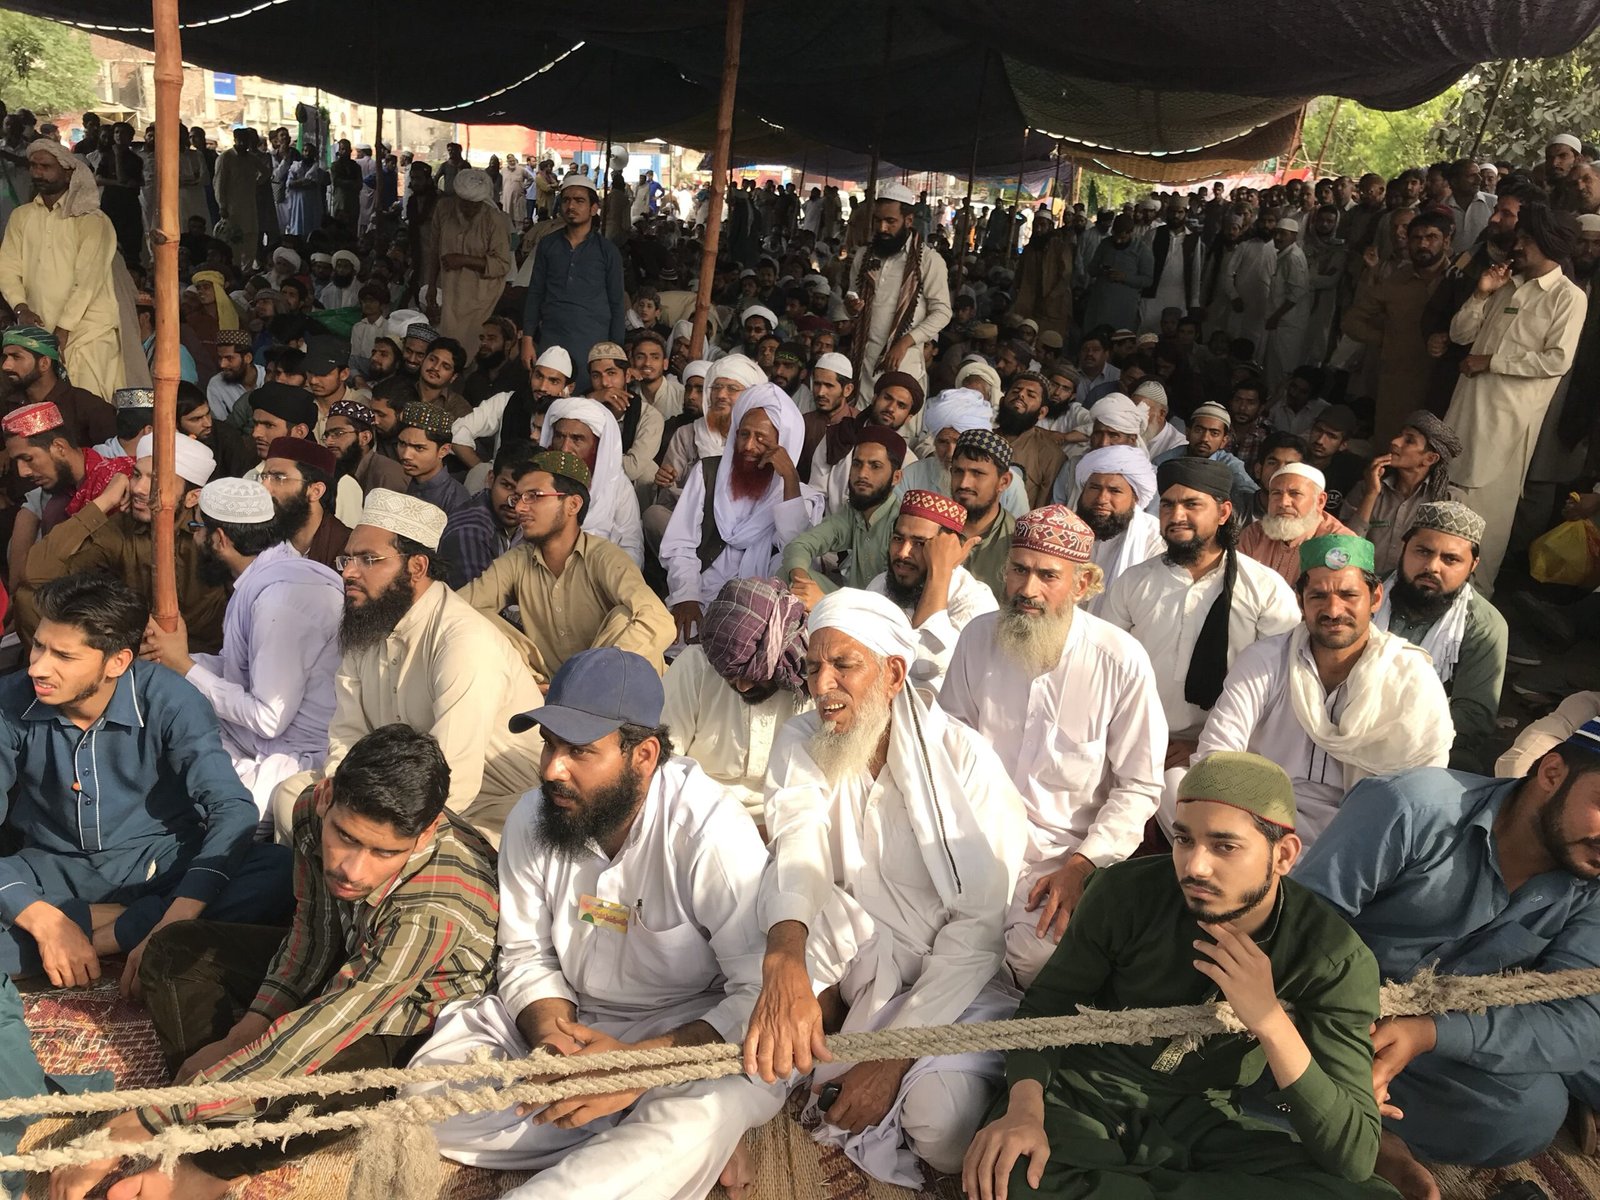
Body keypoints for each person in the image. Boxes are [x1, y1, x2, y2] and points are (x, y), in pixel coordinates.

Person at [50, 725, 498, 1200]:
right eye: (345, 837)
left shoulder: (432, 909)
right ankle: (229, 1104)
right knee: (174, 951)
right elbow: (312, 938)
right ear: (326, 797)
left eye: (384, 853)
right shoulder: (309, 809)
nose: (353, 869)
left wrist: (131, 1127)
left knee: (333, 1078)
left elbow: (326, 1027)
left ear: (426, 833)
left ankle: (205, 1165)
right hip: (349, 957)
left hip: (404, 1011)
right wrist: (242, 1034)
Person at [406, 648, 784, 1200]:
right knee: (427, 1099)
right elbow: (526, 956)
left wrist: (636, 1069)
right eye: (549, 744)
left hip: (688, 1036)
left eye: (579, 750)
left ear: (644, 755)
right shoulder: (534, 818)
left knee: (700, 1114)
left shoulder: (708, 832)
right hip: (573, 1021)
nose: (551, 769)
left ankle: (629, 1141)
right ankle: (635, 1135)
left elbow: (759, 994)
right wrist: (557, 1049)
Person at [963, 752, 1394, 1200]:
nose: (1195, 866)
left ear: (1282, 855)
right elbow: (1044, 1010)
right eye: (1184, 840)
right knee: (1014, 1172)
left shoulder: (1333, 959)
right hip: (1087, 1096)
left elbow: (1354, 1155)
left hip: (1204, 1118)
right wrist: (1023, 1113)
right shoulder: (1124, 894)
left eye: (1224, 846)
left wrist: (1269, 1020)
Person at [744, 589, 1028, 1186]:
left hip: (952, 978)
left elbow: (978, 930)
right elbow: (796, 847)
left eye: (843, 665)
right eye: (812, 665)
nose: (821, 686)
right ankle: (830, 1015)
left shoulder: (965, 763)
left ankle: (866, 1045)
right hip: (853, 951)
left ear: (893, 672)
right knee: (757, 1032)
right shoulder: (802, 739)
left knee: (943, 1128)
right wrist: (784, 963)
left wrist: (890, 1058)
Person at [1296, 720, 1600, 1194]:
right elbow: (1295, 935)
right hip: (1314, 1013)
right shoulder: (1410, 806)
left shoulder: (1592, 888)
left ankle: (1358, 1125)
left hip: (1417, 1048)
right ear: (1552, 773)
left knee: (1530, 1111)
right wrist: (1341, 1042)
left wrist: (1431, 1034)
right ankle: (1353, 1132)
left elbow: (1578, 1022)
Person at [0, 573, 290, 985]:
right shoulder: (10, 702)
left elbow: (233, 809)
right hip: (54, 870)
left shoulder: (170, 700)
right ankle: (90, 929)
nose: (37, 667)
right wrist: (46, 921)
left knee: (280, 870)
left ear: (116, 662)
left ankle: (109, 936)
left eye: (63, 656)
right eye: (39, 646)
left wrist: (165, 922)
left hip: (163, 864)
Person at [940, 506, 1166, 986]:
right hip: (966, 846)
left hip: (1059, 861)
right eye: (1019, 570)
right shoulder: (978, 636)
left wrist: (1084, 866)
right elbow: (946, 747)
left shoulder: (1120, 661)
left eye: (1048, 576)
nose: (1027, 589)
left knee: (1038, 961)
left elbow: (1140, 787)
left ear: (1082, 584)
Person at [271, 489, 544, 845]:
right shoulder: (367, 623)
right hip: (391, 792)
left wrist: (377, 833)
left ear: (416, 567)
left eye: (369, 559)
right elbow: (347, 733)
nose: (349, 573)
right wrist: (343, 797)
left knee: (438, 851)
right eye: (347, 559)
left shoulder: (463, 640)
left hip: (487, 806)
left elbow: (455, 776)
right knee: (294, 797)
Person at [1193, 533, 1453, 842]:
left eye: (1348, 595)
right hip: (1263, 820)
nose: (1333, 610)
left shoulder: (1410, 675)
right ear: (1300, 600)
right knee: (1177, 786)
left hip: (1361, 831)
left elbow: (1424, 784)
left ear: (1376, 598)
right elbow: (1216, 752)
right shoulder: (1265, 660)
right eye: (1318, 596)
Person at [140, 477, 342, 820]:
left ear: (220, 539)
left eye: (197, 528)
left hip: (295, 759)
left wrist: (185, 668)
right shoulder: (270, 577)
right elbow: (242, 669)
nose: (195, 537)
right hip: (260, 741)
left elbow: (267, 719)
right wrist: (176, 659)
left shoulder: (282, 599)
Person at [1102, 457, 1300, 781]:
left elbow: (1279, 686)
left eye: (1192, 504)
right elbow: (1107, 664)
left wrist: (1202, 741)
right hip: (1132, 738)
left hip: (1229, 750)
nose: (1177, 516)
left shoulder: (1264, 588)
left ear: (1223, 513)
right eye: (1167, 505)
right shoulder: (1134, 582)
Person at [1444, 202, 1588, 592]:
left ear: (1547, 242)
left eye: (1525, 239)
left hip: (1505, 428)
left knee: (1484, 521)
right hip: (1464, 413)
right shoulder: (1505, 283)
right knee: (1446, 504)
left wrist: (1491, 362)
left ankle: (1475, 607)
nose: (1517, 246)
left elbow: (1556, 360)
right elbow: (1459, 335)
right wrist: (1480, 293)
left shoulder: (1567, 297)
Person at [458, 450, 673, 683]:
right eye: (518, 498)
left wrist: (586, 683)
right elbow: (457, 608)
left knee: (627, 616)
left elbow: (659, 621)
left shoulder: (604, 557)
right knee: (471, 618)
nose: (519, 508)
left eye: (534, 496)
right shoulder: (517, 560)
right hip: (551, 692)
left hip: (614, 691)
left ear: (572, 504)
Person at [16, 433, 225, 652]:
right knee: (28, 599)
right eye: (136, 475)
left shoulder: (213, 531)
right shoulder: (121, 527)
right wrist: (104, 502)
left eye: (155, 480)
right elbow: (34, 574)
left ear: (192, 497)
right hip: (135, 652)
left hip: (208, 657)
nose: (138, 488)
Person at [661, 382, 825, 642]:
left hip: (763, 604)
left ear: (784, 445)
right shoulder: (708, 473)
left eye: (762, 439)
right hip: (701, 593)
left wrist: (789, 480)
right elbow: (680, 545)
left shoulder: (802, 497)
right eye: (743, 434)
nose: (748, 446)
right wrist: (687, 596)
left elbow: (797, 554)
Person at [662, 576, 814, 822]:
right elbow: (666, 764)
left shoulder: (805, 677)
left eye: (754, 674)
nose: (742, 686)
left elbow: (815, 787)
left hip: (786, 821)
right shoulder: (695, 665)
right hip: (696, 819)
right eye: (730, 675)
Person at [1371, 500, 1506, 775]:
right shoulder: (1366, 594)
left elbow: (1472, 718)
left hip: (1421, 743)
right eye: (1423, 551)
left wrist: (1395, 738)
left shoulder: (1483, 626)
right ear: (1404, 547)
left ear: (1473, 565)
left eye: (1451, 559)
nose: (1432, 567)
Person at [0, 139, 132, 401]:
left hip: (89, 331)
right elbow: (7, 267)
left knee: (90, 404)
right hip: (39, 331)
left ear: (69, 172)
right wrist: (20, 307)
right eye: (34, 166)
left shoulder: (93, 221)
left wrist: (63, 329)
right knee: (47, 412)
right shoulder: (21, 217)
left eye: (46, 166)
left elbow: (89, 280)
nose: (37, 173)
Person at [866, 489, 997, 692]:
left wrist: (939, 574)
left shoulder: (975, 601)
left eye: (920, 544)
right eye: (898, 539)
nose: (902, 553)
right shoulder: (879, 585)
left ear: (948, 550)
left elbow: (923, 665)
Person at [1340, 210, 1454, 443]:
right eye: (1416, 238)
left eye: (1431, 237)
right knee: (1391, 447)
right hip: (1399, 384)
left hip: (1445, 382)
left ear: (1446, 241)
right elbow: (1352, 321)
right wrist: (1387, 339)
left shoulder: (1459, 278)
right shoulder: (1396, 281)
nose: (1423, 244)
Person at [843, 182, 951, 397]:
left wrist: (904, 343)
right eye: (878, 221)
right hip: (863, 359)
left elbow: (943, 312)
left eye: (890, 221)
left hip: (904, 361)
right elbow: (851, 300)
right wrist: (851, 307)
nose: (882, 228)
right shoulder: (864, 256)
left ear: (908, 221)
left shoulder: (928, 260)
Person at [782, 427, 907, 604]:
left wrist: (823, 602)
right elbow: (801, 545)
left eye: (875, 466)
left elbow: (899, 601)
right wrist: (800, 582)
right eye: (857, 464)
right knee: (787, 574)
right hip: (848, 606)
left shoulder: (902, 523)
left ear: (896, 477)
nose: (862, 474)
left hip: (884, 619)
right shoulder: (853, 513)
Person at [521, 175, 625, 372]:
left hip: (593, 340)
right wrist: (527, 339)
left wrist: (615, 353)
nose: (571, 206)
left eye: (579, 201)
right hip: (552, 336)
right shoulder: (548, 244)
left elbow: (617, 303)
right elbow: (535, 293)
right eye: (566, 200)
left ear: (594, 208)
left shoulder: (607, 251)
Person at [1340, 411, 1461, 577]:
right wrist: (1371, 494)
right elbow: (1344, 547)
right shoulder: (1366, 487)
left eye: (1409, 440)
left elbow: (1452, 561)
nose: (1395, 442)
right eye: (1399, 435)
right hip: (1362, 586)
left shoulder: (1448, 500)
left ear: (1430, 459)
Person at [536, 393, 646, 565]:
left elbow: (631, 546)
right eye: (559, 436)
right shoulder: (537, 478)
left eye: (577, 439)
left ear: (596, 446)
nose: (565, 448)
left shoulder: (618, 485)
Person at [2, 399, 132, 538]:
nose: (23, 472)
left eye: (28, 459)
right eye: (17, 461)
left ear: (59, 447)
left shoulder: (121, 483)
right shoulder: (58, 497)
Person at [424, 167, 512, 348]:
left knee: (473, 346)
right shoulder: (443, 209)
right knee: (448, 344)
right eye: (465, 203)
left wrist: (463, 260)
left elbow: (502, 264)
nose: (470, 208)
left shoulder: (495, 220)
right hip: (450, 291)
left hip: (481, 297)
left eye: (475, 203)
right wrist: (431, 286)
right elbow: (434, 251)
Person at [1072, 445, 1164, 609]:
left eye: (1114, 491)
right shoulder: (1065, 529)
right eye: (1094, 488)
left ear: (1135, 498)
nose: (1101, 498)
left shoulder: (1155, 541)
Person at [1238, 462, 1354, 586]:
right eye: (1276, 493)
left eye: (1295, 494)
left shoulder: (1340, 543)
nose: (1283, 503)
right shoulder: (1254, 534)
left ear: (1320, 501)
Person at [0, 326, 116, 447]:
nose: (6, 366)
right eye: (5, 358)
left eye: (16, 357)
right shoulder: (7, 405)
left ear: (44, 363)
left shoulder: (88, 407)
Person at [440, 443, 530, 589]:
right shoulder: (470, 530)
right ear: (491, 479)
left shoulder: (530, 522)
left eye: (527, 493)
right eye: (507, 486)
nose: (514, 502)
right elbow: (475, 604)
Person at [258, 435, 351, 570]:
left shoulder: (345, 547)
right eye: (264, 477)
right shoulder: (259, 542)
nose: (264, 487)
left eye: (278, 477)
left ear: (315, 491)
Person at [949, 428, 1019, 601]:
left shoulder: (1017, 542)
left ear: (1004, 482)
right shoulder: (932, 529)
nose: (964, 483)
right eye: (958, 472)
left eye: (977, 473)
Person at [996, 371, 1068, 509]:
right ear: (1001, 401)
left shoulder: (1051, 455)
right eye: (1016, 390)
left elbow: (1042, 509)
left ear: (1042, 413)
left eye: (1030, 395)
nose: (1020, 395)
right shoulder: (983, 438)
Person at [322, 396, 410, 498]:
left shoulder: (387, 474)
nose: (328, 441)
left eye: (338, 433)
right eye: (326, 435)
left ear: (365, 437)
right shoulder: (335, 470)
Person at [397, 400, 471, 517]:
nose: (406, 455)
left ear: (443, 451)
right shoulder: (400, 482)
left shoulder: (456, 500)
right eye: (402, 444)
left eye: (419, 448)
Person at [1263, 217, 1311, 389]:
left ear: (1294, 236)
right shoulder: (1284, 255)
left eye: (1283, 234)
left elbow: (1297, 292)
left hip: (1288, 324)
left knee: (1284, 370)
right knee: (1273, 369)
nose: (1278, 237)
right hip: (1280, 323)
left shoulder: (1293, 257)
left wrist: (1276, 316)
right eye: (1276, 233)